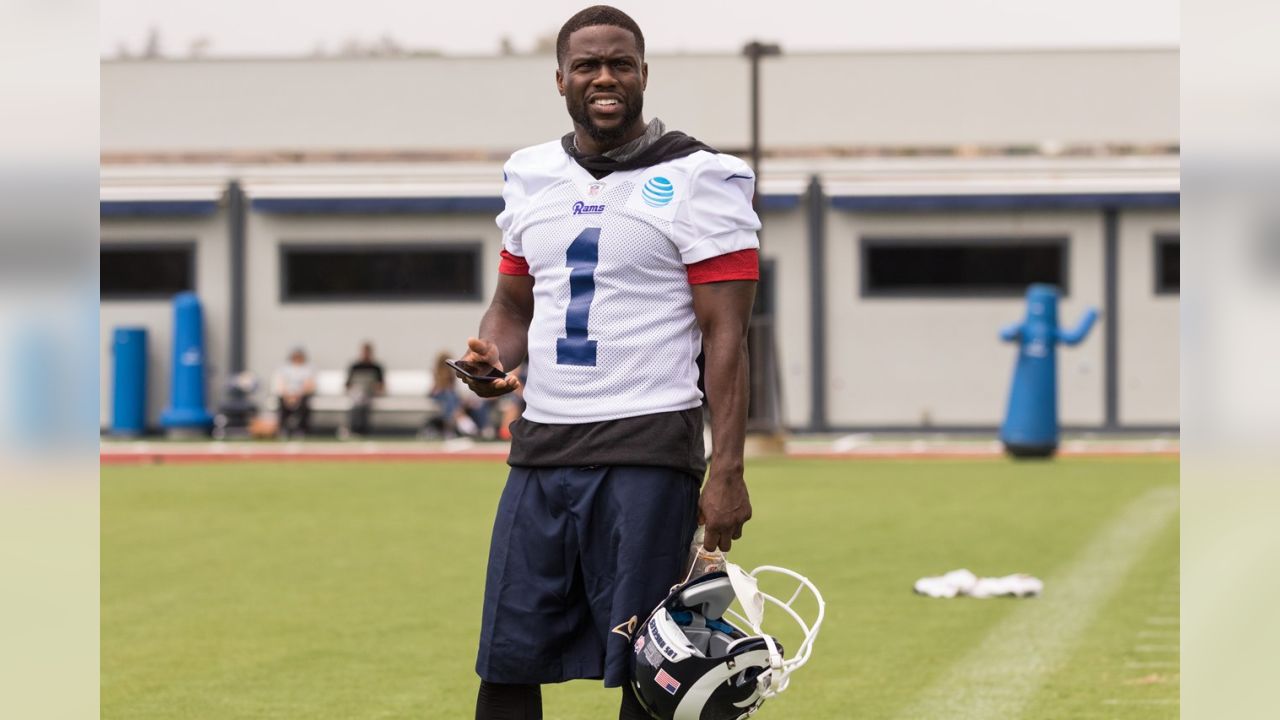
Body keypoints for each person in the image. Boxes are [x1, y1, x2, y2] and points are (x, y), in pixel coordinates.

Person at [455, 7, 759, 719]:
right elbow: (511, 307)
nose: (604, 77)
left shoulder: (702, 176)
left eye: (620, 63)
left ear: (644, 75)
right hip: (541, 449)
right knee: (505, 659)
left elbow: (727, 338)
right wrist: (488, 357)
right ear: (560, 78)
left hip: (647, 451)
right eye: (587, 64)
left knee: (655, 672)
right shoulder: (531, 173)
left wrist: (728, 471)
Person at [272, 346, 316, 439]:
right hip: (287, 394)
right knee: (281, 403)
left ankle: (301, 429)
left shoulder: (307, 369)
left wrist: (298, 395)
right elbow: (280, 383)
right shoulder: (284, 368)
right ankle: (284, 429)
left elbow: (310, 384)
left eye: (299, 356)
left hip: (301, 394)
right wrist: (287, 395)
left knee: (305, 403)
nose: (297, 358)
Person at [344, 341, 385, 437]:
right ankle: (356, 428)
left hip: (370, 393)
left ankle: (358, 428)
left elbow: (381, 385)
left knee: (362, 400)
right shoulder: (355, 367)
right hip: (356, 393)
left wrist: (375, 389)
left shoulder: (376, 367)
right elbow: (348, 384)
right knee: (358, 398)